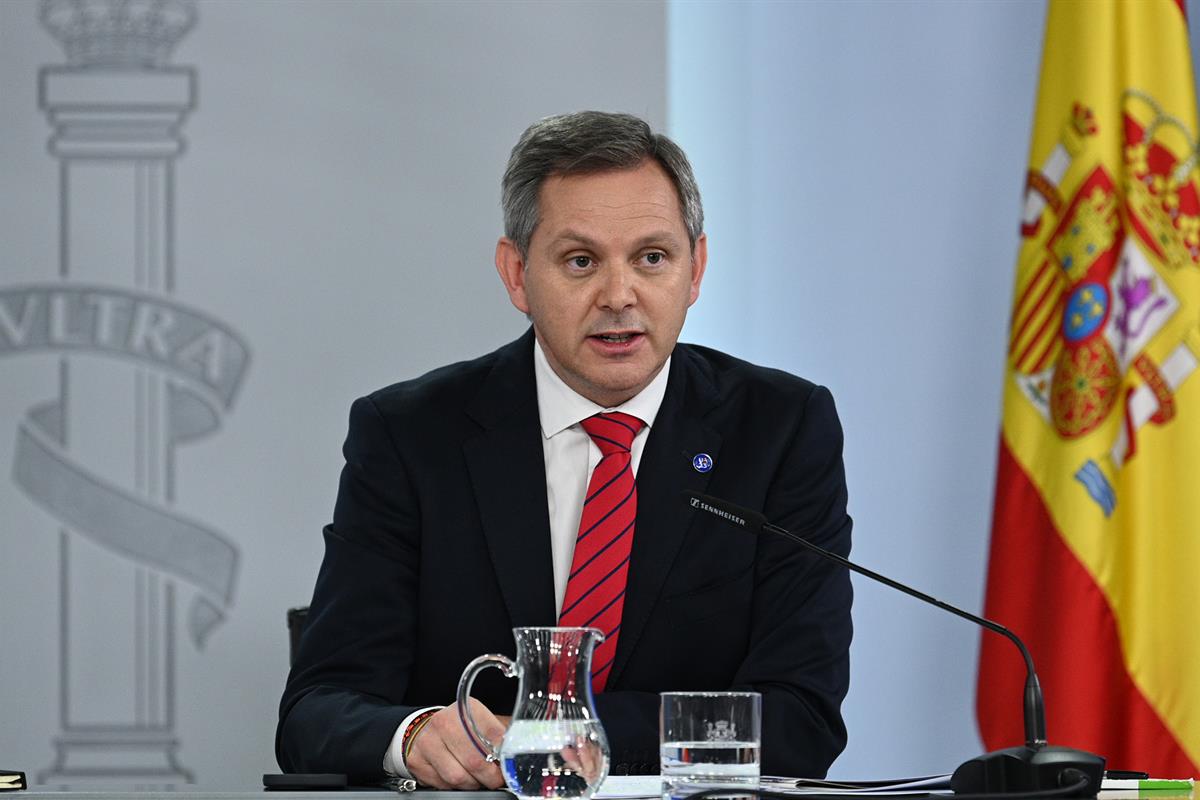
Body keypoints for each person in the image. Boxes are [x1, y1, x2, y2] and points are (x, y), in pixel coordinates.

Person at [276, 111, 853, 787]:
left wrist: (557, 733)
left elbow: (800, 719)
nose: (618, 296)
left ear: (695, 270)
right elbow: (316, 712)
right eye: (580, 261)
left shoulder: (779, 429)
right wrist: (412, 735)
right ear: (517, 273)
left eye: (652, 258)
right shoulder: (411, 435)